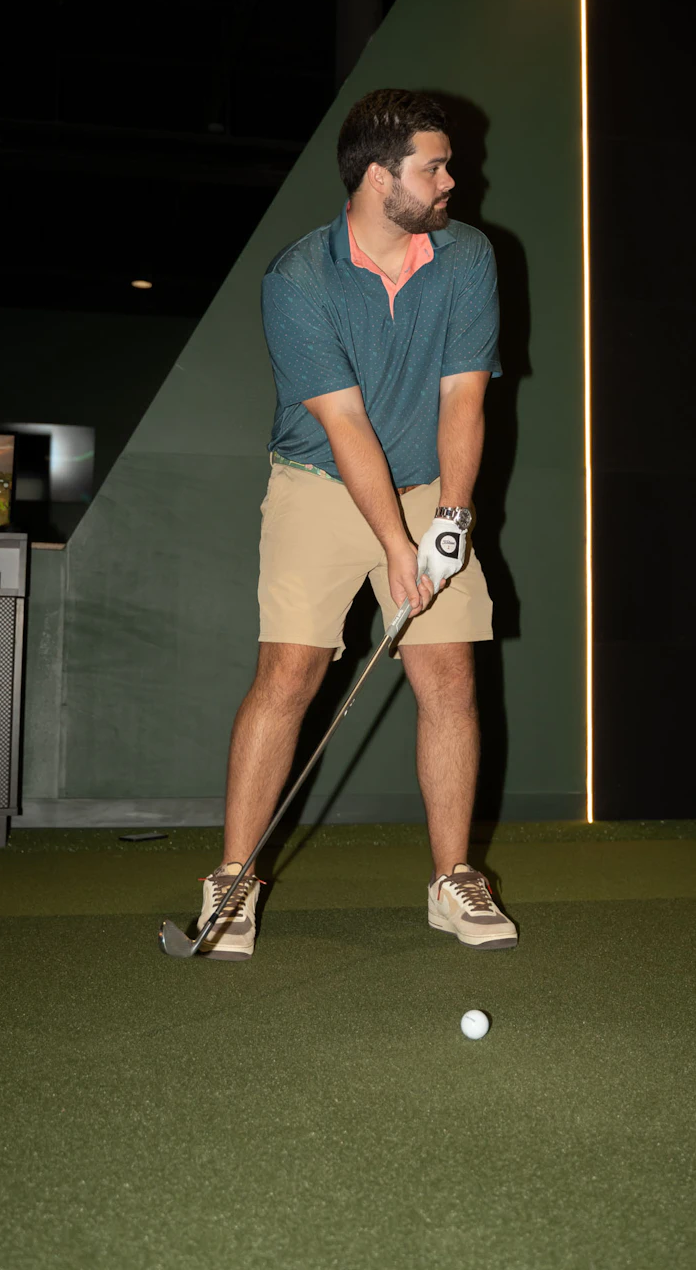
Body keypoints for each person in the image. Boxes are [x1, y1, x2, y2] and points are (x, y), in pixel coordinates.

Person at [196, 88, 517, 958]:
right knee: (289, 676)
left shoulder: (468, 258)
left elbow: (464, 397)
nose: (454, 179)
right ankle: (232, 881)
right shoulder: (297, 279)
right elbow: (343, 428)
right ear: (380, 178)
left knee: (448, 680)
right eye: (435, 166)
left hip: (425, 486)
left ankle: (453, 881)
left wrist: (449, 518)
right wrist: (393, 546)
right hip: (317, 485)